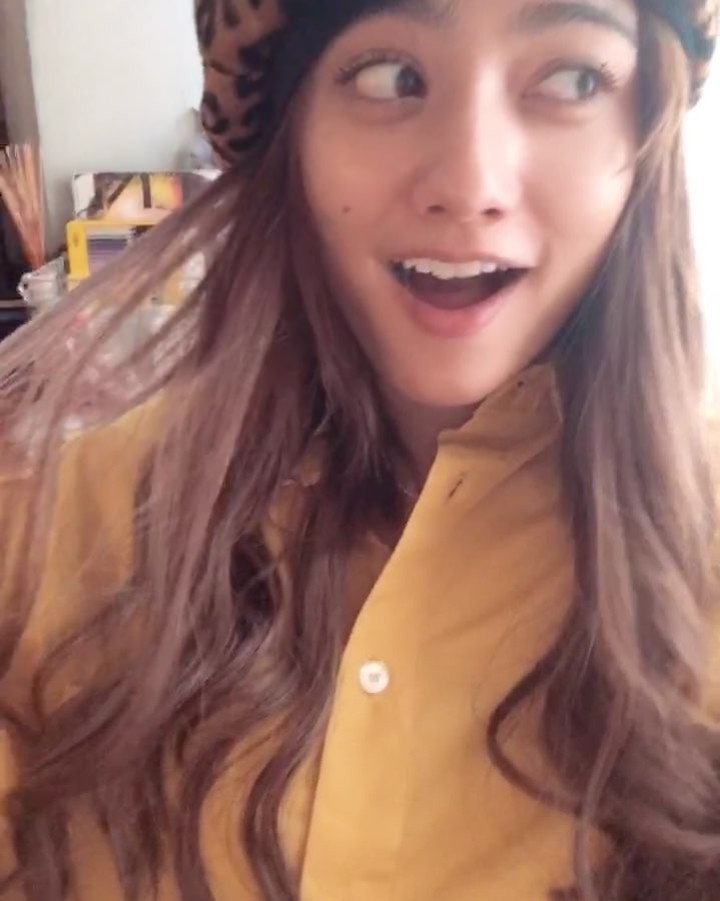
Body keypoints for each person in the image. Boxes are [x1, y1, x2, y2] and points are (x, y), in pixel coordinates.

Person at [0, 0, 718, 898]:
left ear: (647, 128)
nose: (470, 181)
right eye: (389, 76)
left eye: (572, 79)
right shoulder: (55, 535)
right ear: (288, 129)